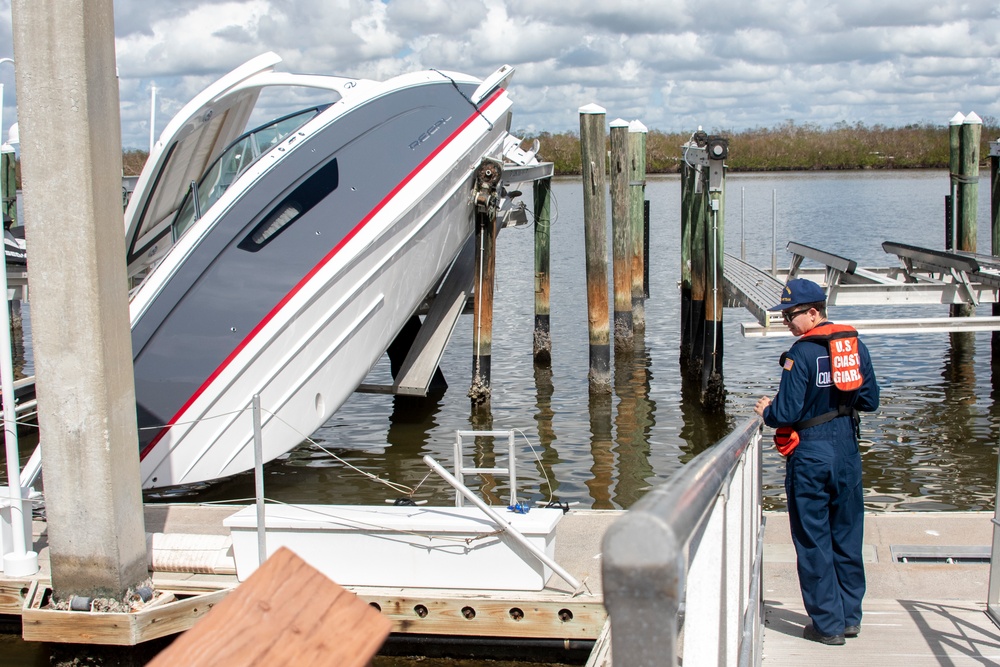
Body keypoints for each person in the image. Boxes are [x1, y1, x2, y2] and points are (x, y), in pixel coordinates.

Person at [753, 278, 879, 646]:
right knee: (847, 535)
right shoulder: (852, 345)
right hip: (847, 451)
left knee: (813, 540)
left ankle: (827, 625)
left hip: (810, 454)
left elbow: (786, 411)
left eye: (790, 315)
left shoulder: (801, 354)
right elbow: (870, 401)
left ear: (813, 311)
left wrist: (767, 410)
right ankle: (850, 616)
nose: (787, 323)